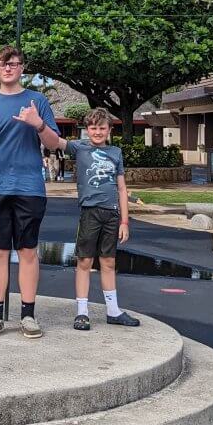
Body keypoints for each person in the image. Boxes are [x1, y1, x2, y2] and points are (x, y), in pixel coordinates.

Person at [0, 44, 62, 338]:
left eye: (14, 64)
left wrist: (38, 125)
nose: (8, 68)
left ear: (22, 68)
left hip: (29, 187)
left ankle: (28, 314)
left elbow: (53, 143)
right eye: (3, 64)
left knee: (28, 252)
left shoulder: (37, 101)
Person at [64, 108, 139, 330]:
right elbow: (54, 142)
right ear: (86, 129)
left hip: (112, 213)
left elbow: (122, 189)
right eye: (93, 128)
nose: (97, 132)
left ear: (109, 130)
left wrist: (124, 221)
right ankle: (82, 312)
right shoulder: (79, 148)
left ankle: (113, 310)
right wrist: (37, 123)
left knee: (108, 262)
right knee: (85, 261)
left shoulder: (115, 153)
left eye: (102, 128)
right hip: (90, 212)